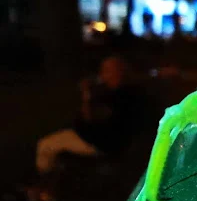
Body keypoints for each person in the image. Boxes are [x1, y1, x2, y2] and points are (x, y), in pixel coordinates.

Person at [33, 56, 144, 188]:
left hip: (99, 143)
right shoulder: (114, 91)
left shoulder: (121, 96)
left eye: (107, 70)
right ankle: (54, 179)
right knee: (57, 141)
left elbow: (91, 118)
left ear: (119, 72)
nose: (102, 74)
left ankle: (45, 187)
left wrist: (87, 95)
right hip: (94, 137)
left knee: (45, 145)